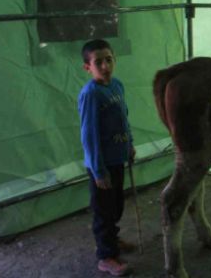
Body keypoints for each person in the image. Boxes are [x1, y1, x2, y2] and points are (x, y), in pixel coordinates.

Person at [78, 39, 136, 276]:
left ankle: (112, 239)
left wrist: (129, 144)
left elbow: (125, 117)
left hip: (117, 159)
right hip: (101, 165)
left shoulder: (117, 86)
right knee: (103, 212)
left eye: (108, 59)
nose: (104, 65)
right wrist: (98, 170)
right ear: (87, 67)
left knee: (116, 206)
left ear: (115, 60)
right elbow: (89, 135)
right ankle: (105, 256)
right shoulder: (91, 94)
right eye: (98, 62)